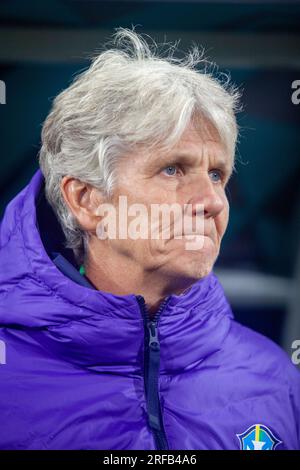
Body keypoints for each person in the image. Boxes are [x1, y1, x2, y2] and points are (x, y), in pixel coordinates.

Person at [0, 28, 299, 451]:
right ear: (86, 200)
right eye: (173, 169)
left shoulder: (278, 380)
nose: (212, 201)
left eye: (217, 174)